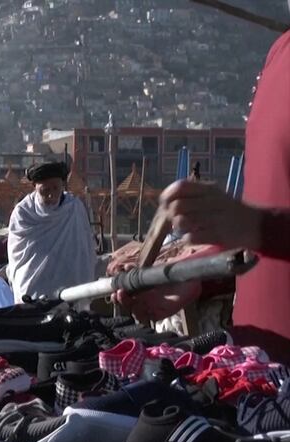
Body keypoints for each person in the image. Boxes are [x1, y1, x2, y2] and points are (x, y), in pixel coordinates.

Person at [115, 25, 290, 364]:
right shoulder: (279, 53)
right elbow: (266, 228)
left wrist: (255, 226)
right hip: (254, 377)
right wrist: (194, 274)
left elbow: (261, 226)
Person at [6, 162, 96, 303]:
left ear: (62, 185)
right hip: (33, 292)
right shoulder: (23, 213)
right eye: (45, 190)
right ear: (34, 187)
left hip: (72, 289)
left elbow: (85, 249)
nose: (51, 195)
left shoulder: (74, 208)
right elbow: (19, 255)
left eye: (55, 188)